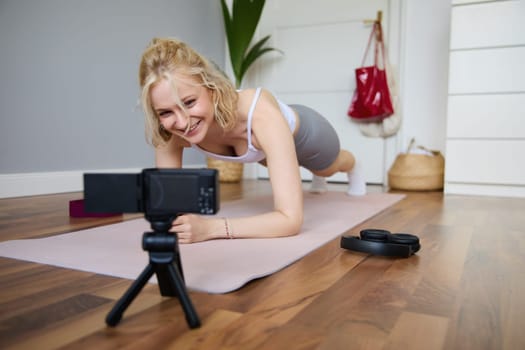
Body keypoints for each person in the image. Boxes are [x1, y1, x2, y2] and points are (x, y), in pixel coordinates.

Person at [139, 37, 366, 244]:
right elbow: (170, 204)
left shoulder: (260, 115)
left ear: (211, 88)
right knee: (281, 165)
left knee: (327, 168)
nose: (183, 122)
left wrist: (211, 229)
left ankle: (353, 165)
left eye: (189, 102)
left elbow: (290, 220)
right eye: (165, 112)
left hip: (307, 134)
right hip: (263, 149)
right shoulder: (170, 131)